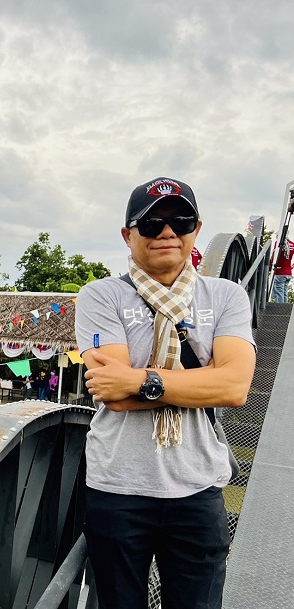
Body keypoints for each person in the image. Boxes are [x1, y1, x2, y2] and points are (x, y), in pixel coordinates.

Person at [75, 176, 255, 609]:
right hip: (118, 487)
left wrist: (140, 380)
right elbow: (113, 394)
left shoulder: (226, 295)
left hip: (198, 486)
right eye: (152, 223)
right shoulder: (101, 296)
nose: (167, 232)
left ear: (196, 229)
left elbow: (234, 387)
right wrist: (203, 380)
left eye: (181, 221)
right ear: (128, 235)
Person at [271, 237, 294, 303]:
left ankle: (279, 308)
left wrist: (270, 267)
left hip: (280, 272)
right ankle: (285, 308)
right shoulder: (292, 244)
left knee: (279, 292)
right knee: (284, 292)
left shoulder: (279, 243)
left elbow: (273, 257)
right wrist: (292, 266)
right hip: (288, 272)